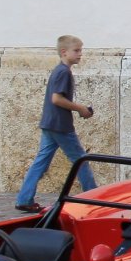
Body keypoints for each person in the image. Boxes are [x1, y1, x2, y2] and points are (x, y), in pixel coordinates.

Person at [15, 35, 98, 212]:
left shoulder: (59, 70)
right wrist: (80, 108)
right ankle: (93, 197)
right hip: (60, 125)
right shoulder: (63, 72)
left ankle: (24, 198)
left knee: (41, 162)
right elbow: (57, 99)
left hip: (50, 123)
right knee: (81, 160)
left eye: (80, 50)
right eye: (76, 50)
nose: (80, 54)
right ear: (64, 52)